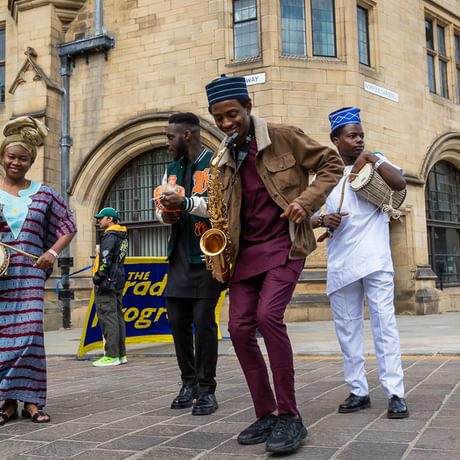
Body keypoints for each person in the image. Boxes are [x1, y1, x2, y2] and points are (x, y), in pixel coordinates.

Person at [204, 75, 344, 454]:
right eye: (219, 118)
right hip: (244, 254)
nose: (226, 123)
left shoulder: (283, 135)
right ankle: (265, 412)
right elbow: (217, 205)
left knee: (269, 318)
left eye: (232, 114)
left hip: (285, 244)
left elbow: (331, 163)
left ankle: (290, 416)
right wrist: (179, 207)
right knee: (237, 329)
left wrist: (308, 201)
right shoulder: (223, 155)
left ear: (248, 107)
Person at [311, 106, 409, 419]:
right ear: (335, 141)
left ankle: (395, 392)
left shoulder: (377, 164)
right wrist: (324, 219)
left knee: (385, 326)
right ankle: (358, 390)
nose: (358, 141)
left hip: (376, 260)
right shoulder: (324, 178)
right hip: (342, 263)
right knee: (348, 329)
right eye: (352, 136)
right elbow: (304, 217)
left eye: (361, 135)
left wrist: (373, 158)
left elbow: (399, 184)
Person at [0, 116, 76, 424]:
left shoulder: (44, 193)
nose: (16, 162)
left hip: (30, 272)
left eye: (23, 158)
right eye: (11, 156)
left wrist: (52, 251)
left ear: (31, 161)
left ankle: (31, 401)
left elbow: (69, 225)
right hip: (1, 275)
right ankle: (7, 402)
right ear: (2, 157)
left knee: (30, 332)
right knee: (4, 337)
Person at [156, 112, 224, 416]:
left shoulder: (215, 164)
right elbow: (161, 208)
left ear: (186, 135)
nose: (167, 142)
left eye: (171, 137)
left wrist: (184, 204)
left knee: (204, 325)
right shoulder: (170, 169)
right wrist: (164, 214)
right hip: (179, 259)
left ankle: (206, 389)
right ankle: (188, 383)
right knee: (176, 322)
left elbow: (220, 208)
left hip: (207, 259)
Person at [92, 207, 128, 367]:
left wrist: (98, 277)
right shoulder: (122, 237)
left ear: (110, 219)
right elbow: (120, 258)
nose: (99, 221)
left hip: (107, 282)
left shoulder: (109, 236)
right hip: (118, 279)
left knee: (108, 317)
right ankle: (121, 355)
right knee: (117, 316)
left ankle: (112, 355)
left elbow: (105, 259)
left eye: (101, 218)